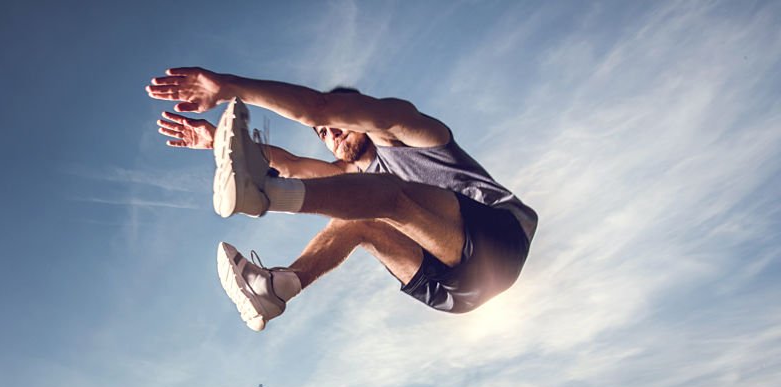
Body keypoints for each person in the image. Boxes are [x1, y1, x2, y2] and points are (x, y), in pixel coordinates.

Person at [146, 67, 537, 331]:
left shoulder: (410, 130)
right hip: (452, 292)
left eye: (337, 127)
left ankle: (264, 195)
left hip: (498, 243)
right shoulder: (355, 179)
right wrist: (214, 140)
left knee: (385, 197)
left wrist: (231, 88)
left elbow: (322, 107)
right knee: (357, 216)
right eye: (323, 134)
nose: (331, 135)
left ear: (358, 115)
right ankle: (277, 288)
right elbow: (293, 164)